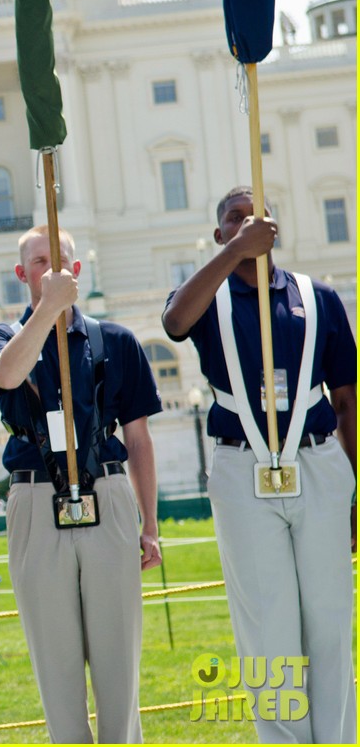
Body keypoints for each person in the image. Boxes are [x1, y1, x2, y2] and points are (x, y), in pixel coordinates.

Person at [162, 186, 356, 743]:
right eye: (235, 218)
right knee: (268, 629)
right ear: (219, 233)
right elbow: (174, 322)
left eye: (258, 216)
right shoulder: (208, 297)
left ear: (276, 228)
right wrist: (234, 254)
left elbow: (347, 399)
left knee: (329, 620)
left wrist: (354, 489)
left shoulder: (318, 297)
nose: (248, 223)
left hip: (318, 462)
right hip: (242, 467)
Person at [0, 226, 162, 743]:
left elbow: (139, 438)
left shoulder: (116, 341)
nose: (51, 269)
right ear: (21, 274)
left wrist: (150, 524)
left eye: (60, 261)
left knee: (118, 664)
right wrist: (47, 310)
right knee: (55, 666)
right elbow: (6, 376)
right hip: (36, 497)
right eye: (39, 262)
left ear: (77, 271)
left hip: (107, 492)